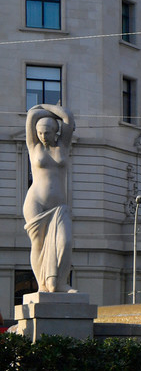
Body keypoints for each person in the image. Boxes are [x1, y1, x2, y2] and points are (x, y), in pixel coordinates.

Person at [24, 104, 77, 293]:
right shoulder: (33, 147)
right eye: (40, 133)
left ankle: (59, 283)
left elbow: (68, 117)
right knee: (37, 244)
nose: (43, 136)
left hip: (59, 206)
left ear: (56, 131)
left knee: (66, 242)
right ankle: (42, 286)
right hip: (36, 202)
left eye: (47, 132)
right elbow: (31, 114)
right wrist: (40, 111)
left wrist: (46, 108)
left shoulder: (63, 145)